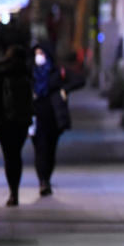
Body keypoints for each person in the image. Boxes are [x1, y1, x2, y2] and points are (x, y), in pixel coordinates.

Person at [30, 43, 84, 196]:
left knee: (50, 150)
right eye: (36, 53)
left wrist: (64, 90)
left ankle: (46, 177)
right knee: (40, 149)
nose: (38, 56)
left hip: (54, 117)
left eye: (41, 53)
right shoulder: (32, 72)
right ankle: (43, 181)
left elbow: (80, 80)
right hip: (36, 116)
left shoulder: (57, 71)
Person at [0, 44, 34, 207]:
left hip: (3, 121)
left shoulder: (0, 71)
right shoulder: (27, 72)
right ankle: (15, 190)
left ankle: (13, 193)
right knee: (16, 155)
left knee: (9, 156)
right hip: (21, 121)